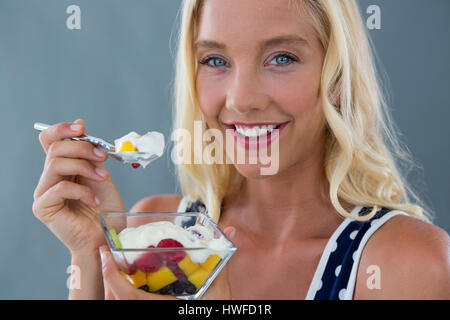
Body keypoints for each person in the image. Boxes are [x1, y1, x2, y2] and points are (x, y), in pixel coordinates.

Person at [32, 0, 449, 300]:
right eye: (215, 61)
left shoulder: (409, 264)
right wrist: (91, 255)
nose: (242, 99)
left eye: (281, 58)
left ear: (337, 78)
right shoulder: (155, 239)